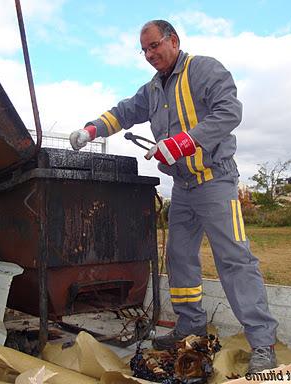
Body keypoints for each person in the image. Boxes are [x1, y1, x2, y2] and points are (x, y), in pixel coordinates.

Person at [70, 20, 278, 373]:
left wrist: (181, 143)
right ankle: (190, 327)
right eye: (145, 50)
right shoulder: (152, 90)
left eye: (155, 46)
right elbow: (123, 113)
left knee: (234, 260)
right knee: (180, 257)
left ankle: (262, 344)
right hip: (182, 189)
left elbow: (230, 112)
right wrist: (90, 129)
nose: (150, 55)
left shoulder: (204, 69)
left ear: (174, 40)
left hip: (216, 180)